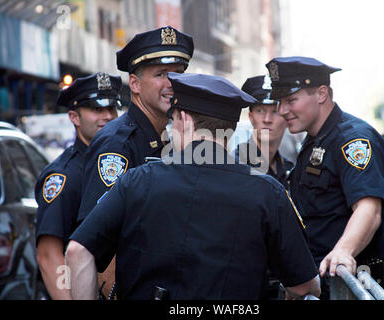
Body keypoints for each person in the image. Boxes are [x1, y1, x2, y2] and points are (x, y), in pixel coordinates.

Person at [65, 72, 321, 300]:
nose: (169, 129)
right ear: (229, 129)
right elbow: (305, 287)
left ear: (184, 120)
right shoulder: (268, 192)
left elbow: (77, 251)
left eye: (172, 120)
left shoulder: (137, 180)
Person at [266, 56, 384, 299]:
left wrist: (344, 251)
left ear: (322, 93)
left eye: (291, 100)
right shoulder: (315, 139)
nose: (282, 111)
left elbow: (369, 208)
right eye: (280, 102)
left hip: (350, 286)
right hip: (322, 284)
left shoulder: (353, 139)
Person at [77, 26, 194, 223]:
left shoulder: (166, 138)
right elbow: (99, 236)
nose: (172, 83)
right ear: (134, 84)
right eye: (161, 74)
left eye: (178, 74)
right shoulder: (117, 145)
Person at [35, 73, 120, 299]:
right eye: (97, 109)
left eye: (112, 109)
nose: (108, 116)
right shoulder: (63, 176)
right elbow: (47, 254)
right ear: (74, 117)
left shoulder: (117, 161)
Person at [235, 75, 293, 190]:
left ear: (287, 118)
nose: (267, 119)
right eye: (260, 111)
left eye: (275, 111)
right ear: (251, 117)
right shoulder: (237, 165)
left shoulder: (290, 168)